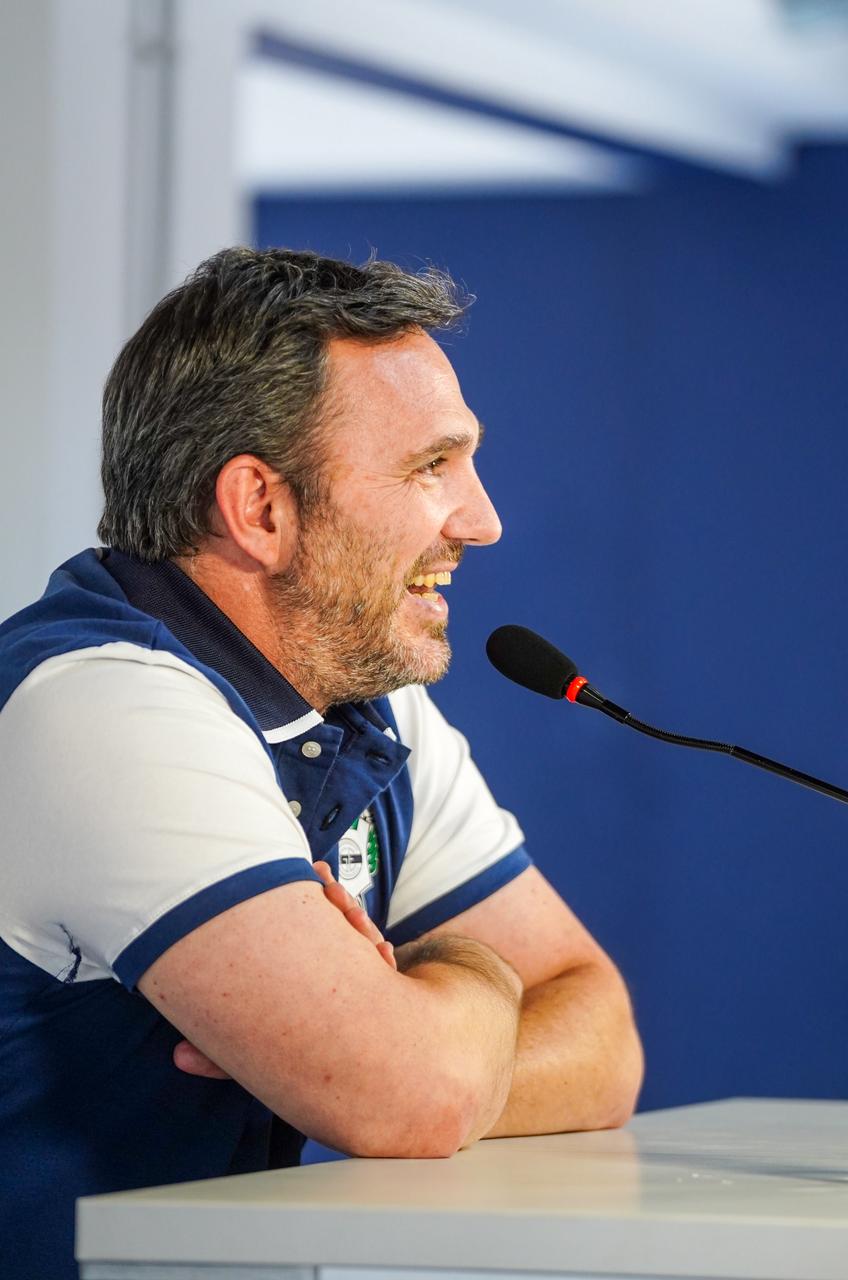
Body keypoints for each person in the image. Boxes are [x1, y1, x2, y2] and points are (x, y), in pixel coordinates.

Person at [0, 247, 644, 1280]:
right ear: (261, 508)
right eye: (430, 466)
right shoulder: (101, 704)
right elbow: (409, 1094)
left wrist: (393, 1037)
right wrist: (473, 973)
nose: (482, 520)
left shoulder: (366, 700)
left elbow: (600, 1033)